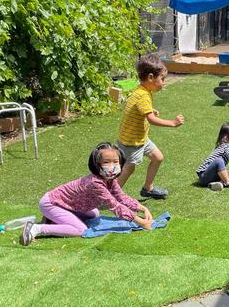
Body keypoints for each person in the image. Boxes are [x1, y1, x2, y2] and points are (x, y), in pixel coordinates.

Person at [20, 142, 152, 245]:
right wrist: (140, 222)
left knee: (94, 213)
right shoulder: (95, 183)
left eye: (115, 162)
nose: (112, 165)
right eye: (106, 162)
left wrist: (142, 208)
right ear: (97, 164)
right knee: (80, 230)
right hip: (51, 203)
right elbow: (114, 205)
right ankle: (36, 229)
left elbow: (121, 197)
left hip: (67, 205)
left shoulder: (110, 179)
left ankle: (52, 219)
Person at [116, 54, 185, 199]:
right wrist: (172, 123)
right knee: (129, 168)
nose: (163, 83)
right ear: (150, 77)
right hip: (131, 141)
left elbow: (135, 108)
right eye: (162, 79)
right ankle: (112, 194)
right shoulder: (142, 95)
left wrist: (149, 110)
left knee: (158, 157)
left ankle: (148, 188)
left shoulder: (142, 91)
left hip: (141, 138)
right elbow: (152, 120)